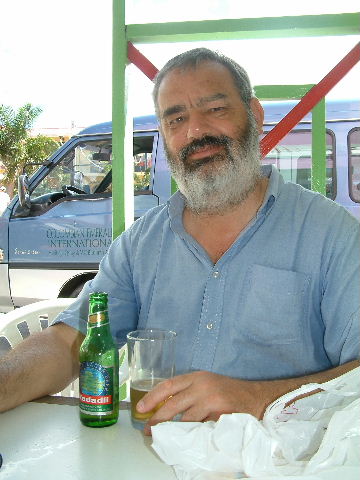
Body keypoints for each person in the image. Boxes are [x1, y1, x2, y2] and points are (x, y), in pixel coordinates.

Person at [0, 49, 359, 433]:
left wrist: (257, 398)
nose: (196, 131)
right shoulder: (140, 245)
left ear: (254, 116)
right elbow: (71, 343)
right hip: (151, 459)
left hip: (289, 463)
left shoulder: (330, 234)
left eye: (216, 109)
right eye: (176, 119)